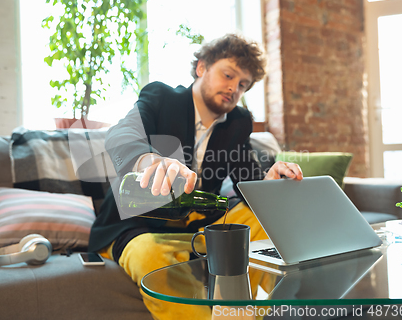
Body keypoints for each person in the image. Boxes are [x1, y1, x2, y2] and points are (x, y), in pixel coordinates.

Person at [88, 33, 302, 319]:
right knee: (150, 255)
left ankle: (254, 312)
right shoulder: (162, 97)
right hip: (138, 225)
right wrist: (147, 159)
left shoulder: (238, 122)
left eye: (243, 85)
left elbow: (245, 176)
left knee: (265, 224)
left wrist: (268, 181)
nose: (233, 89)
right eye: (228, 75)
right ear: (202, 68)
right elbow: (122, 133)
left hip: (199, 227)